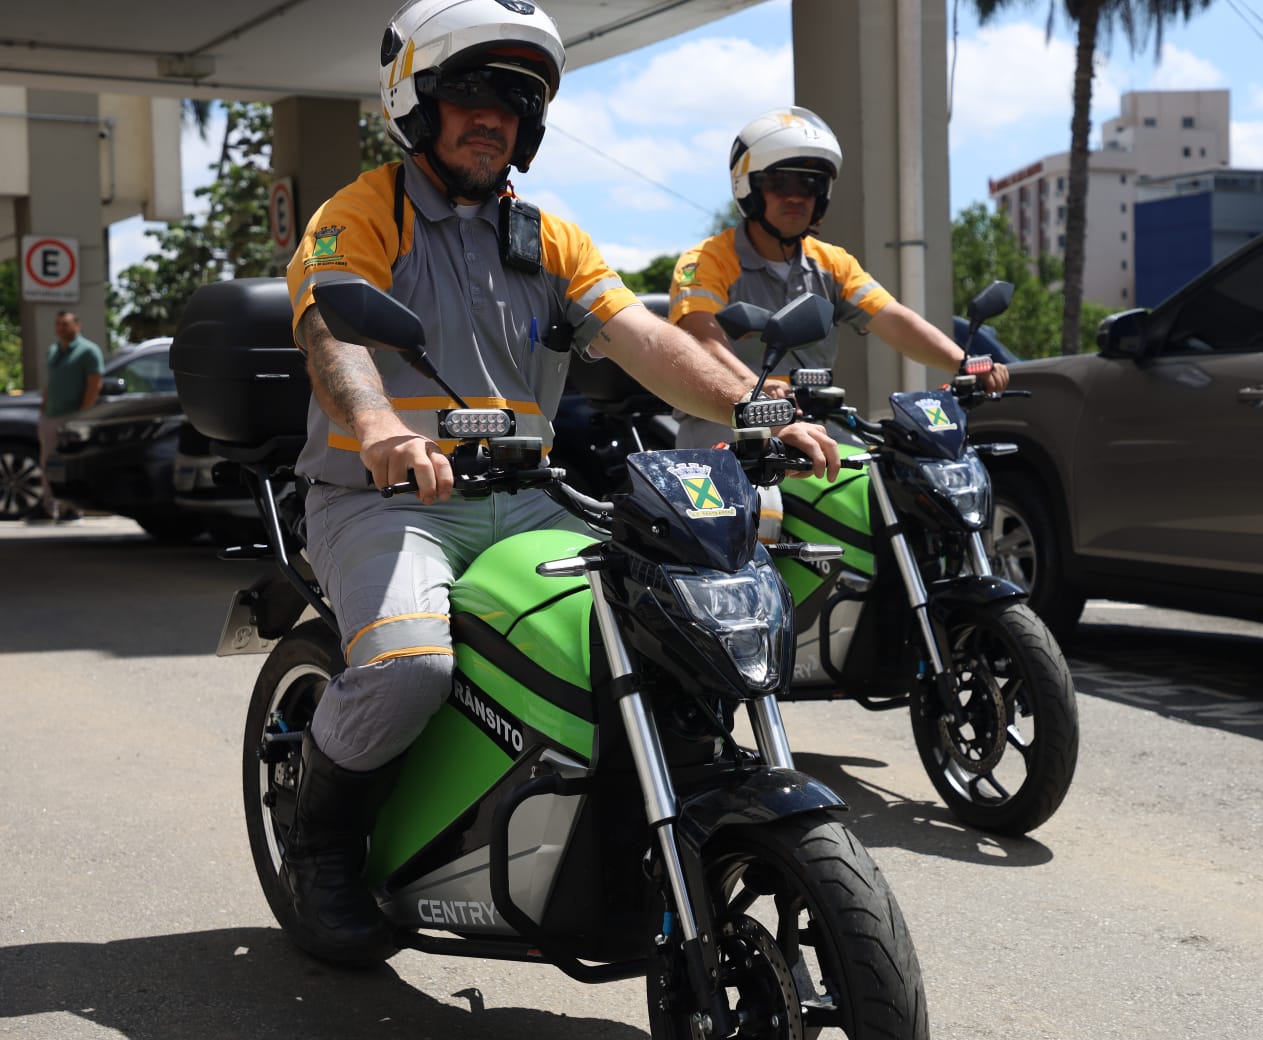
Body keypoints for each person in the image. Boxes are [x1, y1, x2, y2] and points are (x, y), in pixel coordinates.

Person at [282, 0, 839, 963]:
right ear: (417, 99)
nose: (492, 116)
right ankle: (321, 839)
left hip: (525, 496)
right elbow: (333, 329)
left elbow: (650, 342)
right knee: (411, 666)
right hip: (381, 500)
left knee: (667, 621)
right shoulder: (359, 212)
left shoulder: (551, 238)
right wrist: (375, 426)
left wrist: (758, 406)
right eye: (470, 92)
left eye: (516, 100)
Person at [667, 105, 1010, 459]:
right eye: (780, 182)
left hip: (812, 421)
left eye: (810, 183)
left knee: (878, 487)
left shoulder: (832, 263)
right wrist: (752, 389)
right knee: (763, 511)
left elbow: (893, 319)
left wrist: (964, 362)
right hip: (727, 419)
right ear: (749, 186)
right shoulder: (707, 260)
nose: (797, 195)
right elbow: (702, 339)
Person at [33, 310, 103, 524]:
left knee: (69, 464)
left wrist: (81, 416)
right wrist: (44, 408)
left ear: (77, 326)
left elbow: (94, 384)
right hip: (50, 416)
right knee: (47, 463)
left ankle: (70, 508)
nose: (60, 328)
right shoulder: (54, 350)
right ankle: (48, 507)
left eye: (65, 324)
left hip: (72, 417)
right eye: (58, 324)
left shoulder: (89, 351)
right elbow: (50, 383)